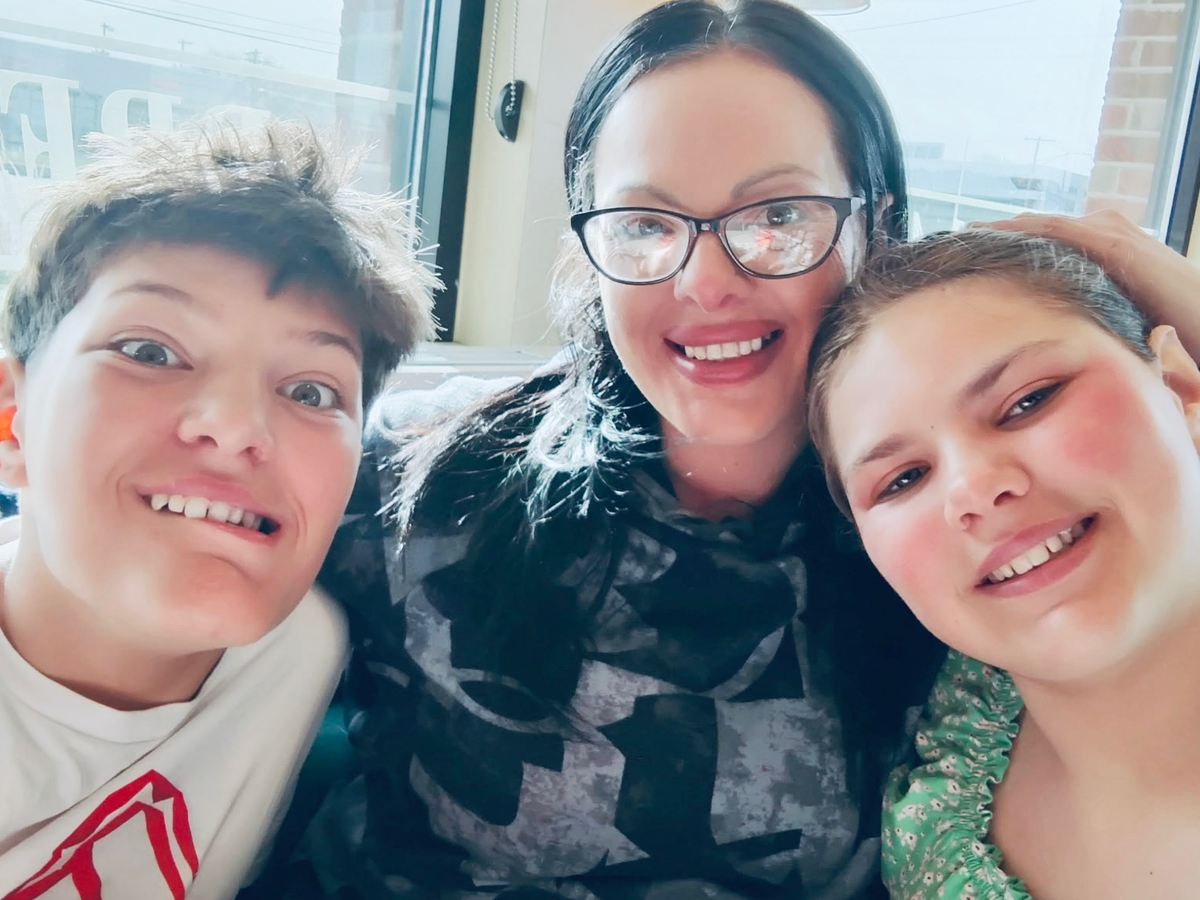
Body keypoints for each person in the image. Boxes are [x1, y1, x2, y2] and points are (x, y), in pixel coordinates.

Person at [294, 1, 946, 898]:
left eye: (778, 216)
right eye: (644, 224)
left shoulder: (953, 521)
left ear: (878, 227)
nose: (707, 283)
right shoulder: (422, 478)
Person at [0, 121, 437, 899]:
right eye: (150, 352)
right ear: (13, 421)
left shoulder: (309, 645)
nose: (237, 427)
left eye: (310, 391)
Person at [805, 227, 1200, 900]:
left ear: (1179, 385)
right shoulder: (946, 769)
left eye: (1029, 400)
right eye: (903, 480)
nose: (975, 491)